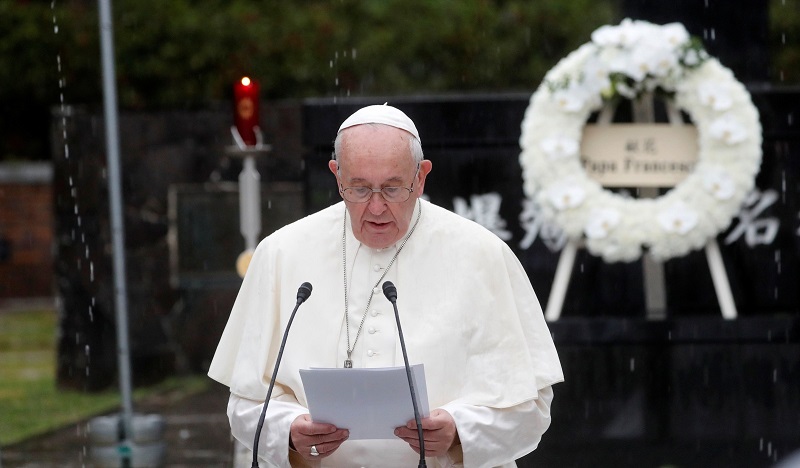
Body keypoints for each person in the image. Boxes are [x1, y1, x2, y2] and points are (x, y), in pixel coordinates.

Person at [208, 104, 563, 467]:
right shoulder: (282, 253)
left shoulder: (483, 256)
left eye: (394, 189)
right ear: (336, 176)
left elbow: (530, 409)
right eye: (359, 189)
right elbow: (244, 406)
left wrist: (460, 430)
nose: (376, 208)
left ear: (421, 177)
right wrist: (288, 431)